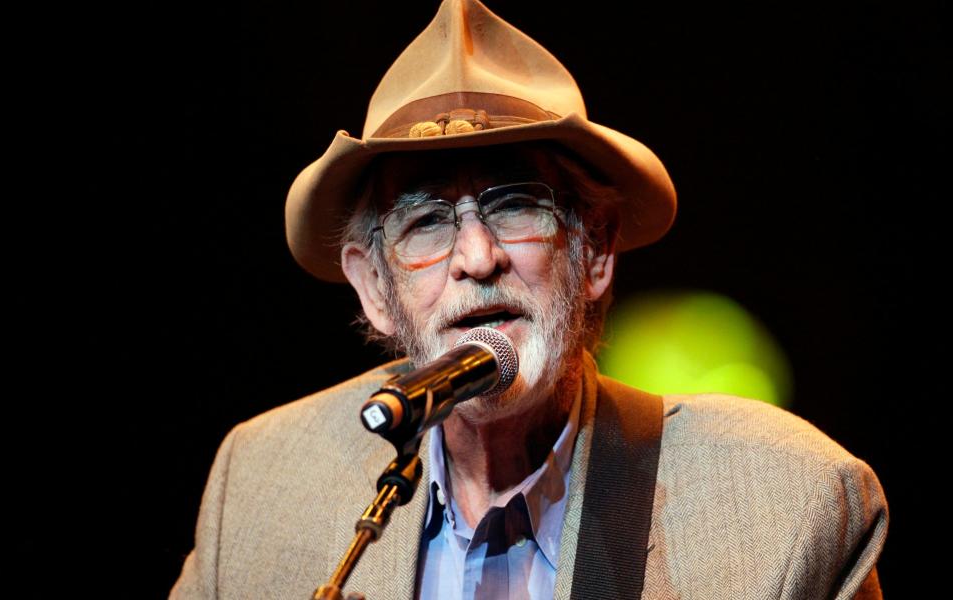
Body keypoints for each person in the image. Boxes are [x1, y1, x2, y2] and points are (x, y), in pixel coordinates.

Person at [171, 0, 888, 598]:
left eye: (516, 205)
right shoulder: (258, 489)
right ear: (374, 288)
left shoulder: (786, 505)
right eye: (426, 222)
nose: (478, 257)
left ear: (595, 249)